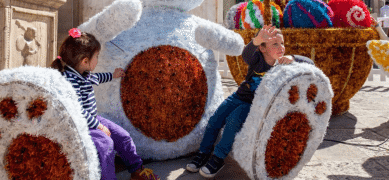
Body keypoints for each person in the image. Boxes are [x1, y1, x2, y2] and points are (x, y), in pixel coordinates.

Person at [186, 25, 314, 178]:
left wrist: (293, 58)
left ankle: (218, 157)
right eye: (275, 44)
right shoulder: (257, 60)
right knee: (215, 120)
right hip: (238, 97)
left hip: (252, 104)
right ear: (263, 49)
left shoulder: (284, 64)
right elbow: (246, 54)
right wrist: (256, 40)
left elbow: (309, 62)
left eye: (282, 43)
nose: (281, 47)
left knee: (233, 122)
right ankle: (203, 153)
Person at [51, 28, 160, 180]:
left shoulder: (83, 73)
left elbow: (97, 78)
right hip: (78, 125)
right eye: (97, 56)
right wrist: (98, 125)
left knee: (123, 137)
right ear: (85, 61)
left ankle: (137, 170)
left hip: (92, 120)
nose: (97, 59)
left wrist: (113, 75)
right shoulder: (70, 80)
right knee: (105, 144)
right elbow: (77, 110)